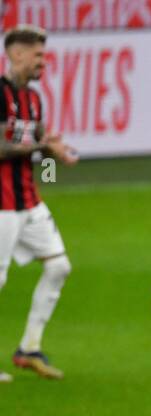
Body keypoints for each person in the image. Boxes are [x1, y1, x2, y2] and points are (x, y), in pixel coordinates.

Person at [0, 25, 76, 383]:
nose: (42, 62)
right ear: (16, 54)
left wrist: (54, 148)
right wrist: (41, 147)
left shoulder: (33, 99)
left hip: (28, 201)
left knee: (59, 266)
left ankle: (29, 348)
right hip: (1, 205)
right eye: (38, 55)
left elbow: (40, 139)